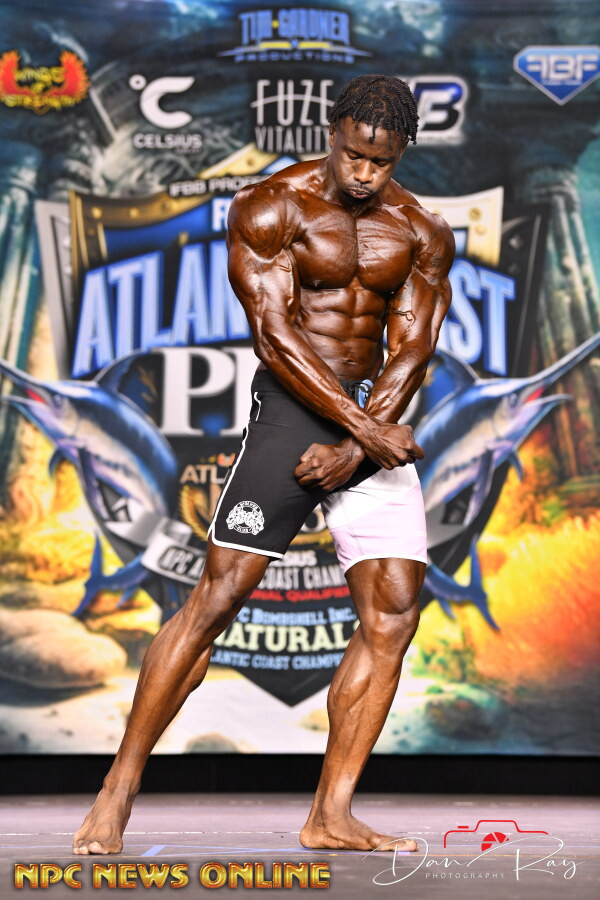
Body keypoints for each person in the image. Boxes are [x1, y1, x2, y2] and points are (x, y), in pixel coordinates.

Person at [73, 74, 455, 855]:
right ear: (332, 129)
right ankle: (118, 787)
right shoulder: (272, 206)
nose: (363, 173)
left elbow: (413, 347)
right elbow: (274, 335)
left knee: (393, 613)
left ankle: (331, 814)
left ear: (401, 153)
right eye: (354, 154)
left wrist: (356, 448)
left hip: (367, 422)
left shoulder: (420, 229)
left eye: (381, 162)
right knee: (216, 600)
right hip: (293, 409)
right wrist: (360, 430)